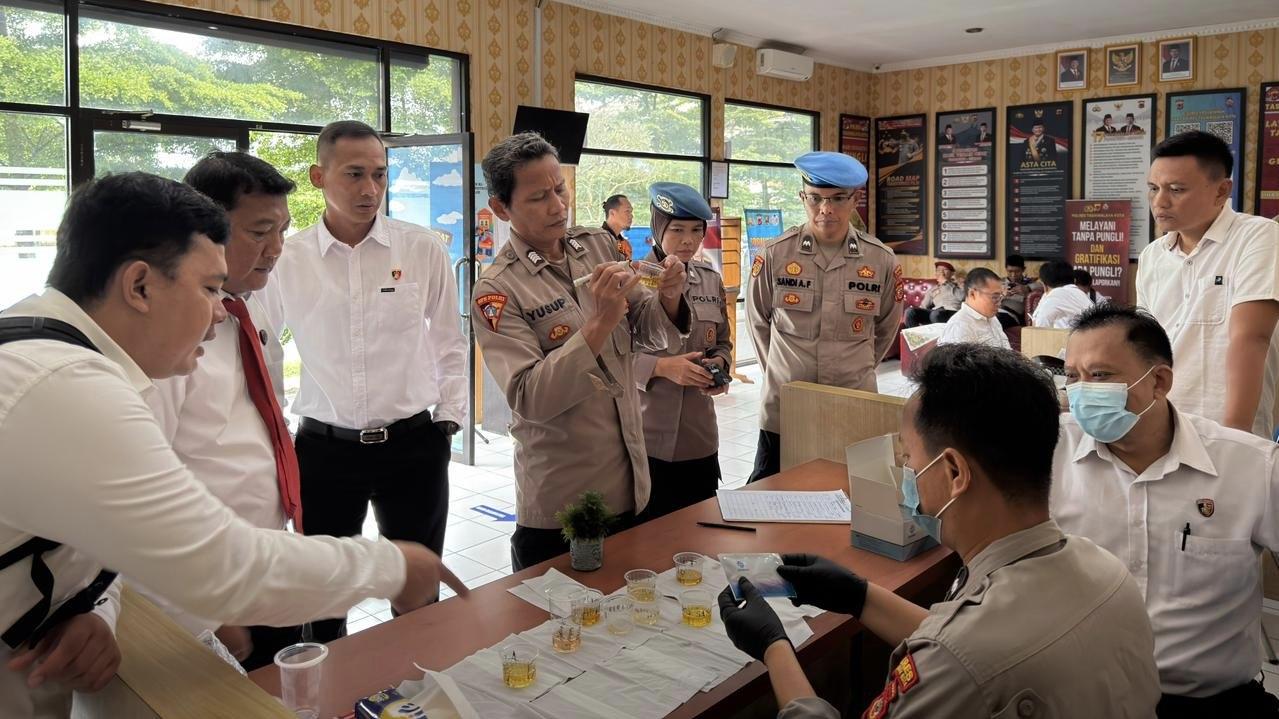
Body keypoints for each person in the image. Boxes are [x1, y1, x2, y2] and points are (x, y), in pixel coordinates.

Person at [0, 173, 465, 719]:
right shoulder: (62, 387)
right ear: (140, 286)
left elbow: (98, 531)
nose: (221, 310)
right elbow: (221, 567)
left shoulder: (50, 355)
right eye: (207, 289)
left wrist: (95, 607)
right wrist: (395, 565)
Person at [718, 344, 1160, 718]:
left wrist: (775, 647)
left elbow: (965, 653)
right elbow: (971, 635)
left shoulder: (958, 664)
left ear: (953, 472)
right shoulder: (1103, 569)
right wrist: (858, 595)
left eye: (909, 458)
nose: (906, 472)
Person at [263, 120, 468, 642]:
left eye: (379, 174)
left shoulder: (420, 248)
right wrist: (276, 435)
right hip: (324, 451)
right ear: (317, 176)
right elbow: (264, 347)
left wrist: (447, 420)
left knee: (418, 590)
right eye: (354, 174)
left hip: (413, 446)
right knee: (324, 594)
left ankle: (420, 687)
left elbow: (449, 339)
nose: (369, 189)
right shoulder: (288, 258)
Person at [471, 132, 690, 570]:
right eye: (538, 197)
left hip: (632, 480)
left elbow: (647, 332)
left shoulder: (596, 245)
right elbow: (531, 397)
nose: (557, 206)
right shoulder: (496, 290)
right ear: (501, 208)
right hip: (563, 505)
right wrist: (599, 322)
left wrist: (668, 296)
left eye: (560, 189)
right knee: (566, 629)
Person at [1053, 304, 1279, 717]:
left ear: (1159, 381)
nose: (1081, 391)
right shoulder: (1048, 455)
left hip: (1209, 702)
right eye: (1072, 376)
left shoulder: (1251, 467)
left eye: (1100, 375)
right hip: (1081, 697)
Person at [140, 152, 302, 670]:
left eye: (283, 230)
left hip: (265, 556)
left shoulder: (249, 303)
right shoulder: (168, 334)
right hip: (211, 583)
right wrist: (202, 612)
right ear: (206, 229)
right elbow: (148, 487)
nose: (276, 250)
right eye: (260, 232)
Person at [747, 151, 901, 483]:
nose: (825, 209)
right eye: (815, 198)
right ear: (803, 197)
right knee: (768, 492)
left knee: (853, 496)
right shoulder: (775, 254)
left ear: (855, 199)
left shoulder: (881, 260)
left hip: (853, 401)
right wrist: (780, 371)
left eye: (837, 199)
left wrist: (857, 363)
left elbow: (887, 325)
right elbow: (758, 321)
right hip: (786, 407)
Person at [1136, 130, 1279, 438]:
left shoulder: (1258, 237)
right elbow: (1146, 348)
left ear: (1221, 191)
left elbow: (1252, 339)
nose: (1160, 201)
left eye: (1176, 189)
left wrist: (1233, 441)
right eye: (1153, 188)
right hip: (1162, 427)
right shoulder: (1152, 257)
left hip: (1227, 429)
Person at [633, 182, 731, 520]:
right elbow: (609, 358)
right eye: (677, 229)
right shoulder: (631, 281)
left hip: (698, 437)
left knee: (699, 536)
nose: (688, 239)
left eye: (696, 230)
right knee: (645, 544)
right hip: (646, 436)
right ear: (657, 230)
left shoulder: (709, 279)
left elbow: (722, 342)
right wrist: (661, 367)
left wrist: (720, 366)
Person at [938, 268, 1010, 349]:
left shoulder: (992, 318)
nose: (999, 303)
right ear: (972, 294)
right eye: (994, 297)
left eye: (1000, 297)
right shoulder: (959, 327)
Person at [1031, 260, 1093, 329]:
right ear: (1074, 281)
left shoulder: (1056, 294)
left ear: (1044, 285)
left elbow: (1038, 328)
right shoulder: (1078, 292)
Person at [903, 261, 962, 327]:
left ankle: (941, 337)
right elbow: (923, 307)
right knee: (910, 312)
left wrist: (947, 283)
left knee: (935, 314)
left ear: (952, 274)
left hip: (953, 312)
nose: (941, 273)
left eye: (945, 270)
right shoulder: (932, 290)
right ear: (936, 274)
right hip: (935, 313)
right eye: (938, 270)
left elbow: (962, 297)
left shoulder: (959, 285)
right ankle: (916, 336)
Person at [997, 253, 1039, 327]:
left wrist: (1028, 288)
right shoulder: (998, 283)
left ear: (1023, 269)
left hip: (1013, 315)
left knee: (998, 321)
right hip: (998, 311)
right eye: (1010, 271)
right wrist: (1002, 295)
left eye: (1017, 271)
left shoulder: (1029, 283)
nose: (1013, 275)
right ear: (1006, 269)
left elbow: (1042, 285)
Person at [601, 194, 633, 259]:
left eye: (631, 212)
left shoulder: (625, 244)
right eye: (627, 211)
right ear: (612, 213)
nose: (631, 216)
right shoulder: (599, 241)